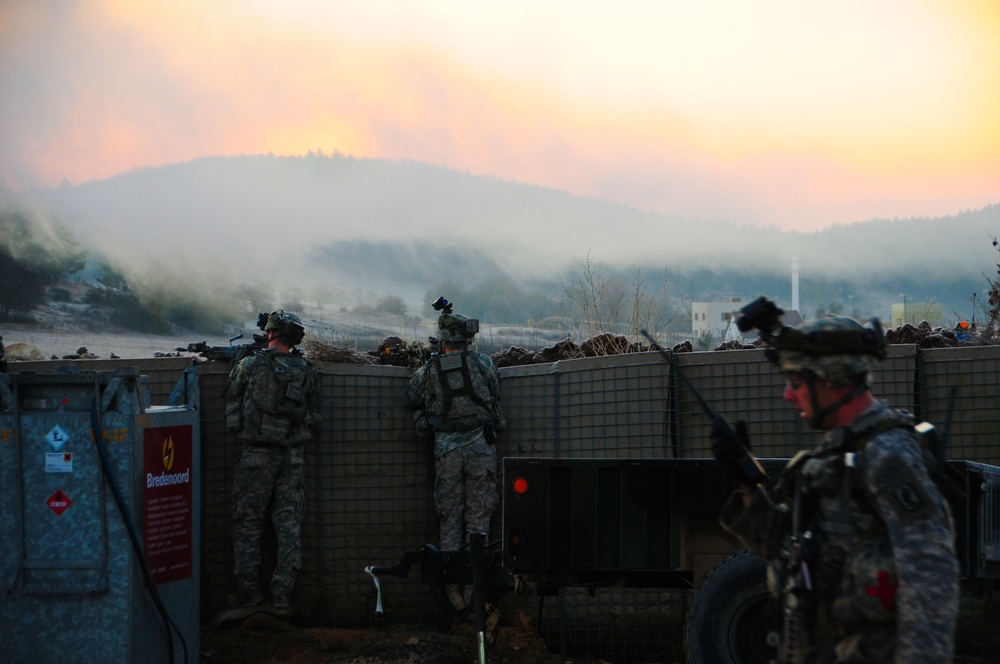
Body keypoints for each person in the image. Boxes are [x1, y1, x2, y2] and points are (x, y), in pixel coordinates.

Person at [712, 311, 959, 663]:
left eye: (796, 384)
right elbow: (794, 554)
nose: (787, 396)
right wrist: (747, 487)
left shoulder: (886, 454)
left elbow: (931, 571)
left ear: (832, 380)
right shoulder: (837, 454)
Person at [402, 302, 504, 611]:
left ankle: (453, 591)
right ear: (466, 340)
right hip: (480, 449)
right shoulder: (483, 363)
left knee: (449, 519)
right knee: (479, 518)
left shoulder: (430, 370)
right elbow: (495, 390)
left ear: (442, 339)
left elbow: (409, 398)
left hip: (446, 451)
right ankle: (475, 587)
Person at [225, 310, 320, 613]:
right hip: (292, 457)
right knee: (289, 526)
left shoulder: (251, 364)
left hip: (257, 455)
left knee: (248, 525)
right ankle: (282, 597)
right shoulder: (306, 369)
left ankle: (248, 592)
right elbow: (314, 412)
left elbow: (232, 394)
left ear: (270, 333)